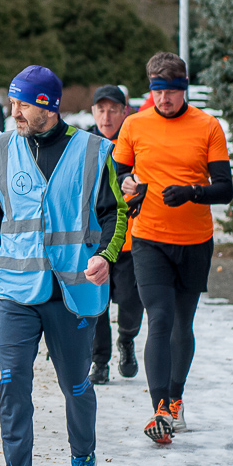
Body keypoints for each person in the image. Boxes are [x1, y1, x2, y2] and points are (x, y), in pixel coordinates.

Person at [0, 65, 127, 466]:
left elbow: (115, 213)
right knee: (12, 385)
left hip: (72, 290)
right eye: (13, 101)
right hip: (15, 291)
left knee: (76, 384)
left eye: (23, 103)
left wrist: (106, 254)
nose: (15, 111)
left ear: (47, 105)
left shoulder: (93, 151)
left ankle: (82, 460)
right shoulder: (0, 149)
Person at [113, 53, 232, 444]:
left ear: (184, 88)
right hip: (148, 238)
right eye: (158, 91)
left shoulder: (208, 126)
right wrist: (129, 182)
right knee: (159, 319)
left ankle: (176, 399)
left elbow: (225, 188)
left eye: (173, 92)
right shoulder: (134, 125)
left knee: (183, 323)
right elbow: (116, 172)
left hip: (195, 241)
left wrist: (193, 193)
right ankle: (159, 408)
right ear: (150, 89)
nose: (165, 99)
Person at [87, 85, 144, 385]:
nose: (106, 116)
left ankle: (127, 339)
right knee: (97, 304)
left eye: (113, 109)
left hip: (132, 241)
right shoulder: (85, 144)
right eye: (101, 109)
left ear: (125, 111)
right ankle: (100, 361)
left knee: (132, 303)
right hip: (96, 240)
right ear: (93, 111)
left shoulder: (135, 141)